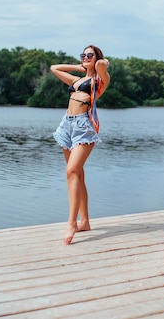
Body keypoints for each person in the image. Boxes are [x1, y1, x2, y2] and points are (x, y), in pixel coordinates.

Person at [50, 45, 110, 245]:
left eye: (89, 55)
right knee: (78, 174)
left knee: (71, 171)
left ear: (97, 57)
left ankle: (71, 223)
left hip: (84, 126)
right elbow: (54, 68)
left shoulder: (99, 80)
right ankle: (84, 221)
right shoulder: (78, 80)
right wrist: (79, 66)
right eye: (83, 55)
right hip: (67, 124)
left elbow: (102, 65)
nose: (85, 57)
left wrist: (97, 62)